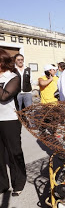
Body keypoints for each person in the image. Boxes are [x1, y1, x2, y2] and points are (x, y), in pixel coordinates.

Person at [0, 48, 26, 196]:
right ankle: (3, 184)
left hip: (10, 120)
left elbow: (4, 96)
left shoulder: (13, 77)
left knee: (14, 153)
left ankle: (19, 183)